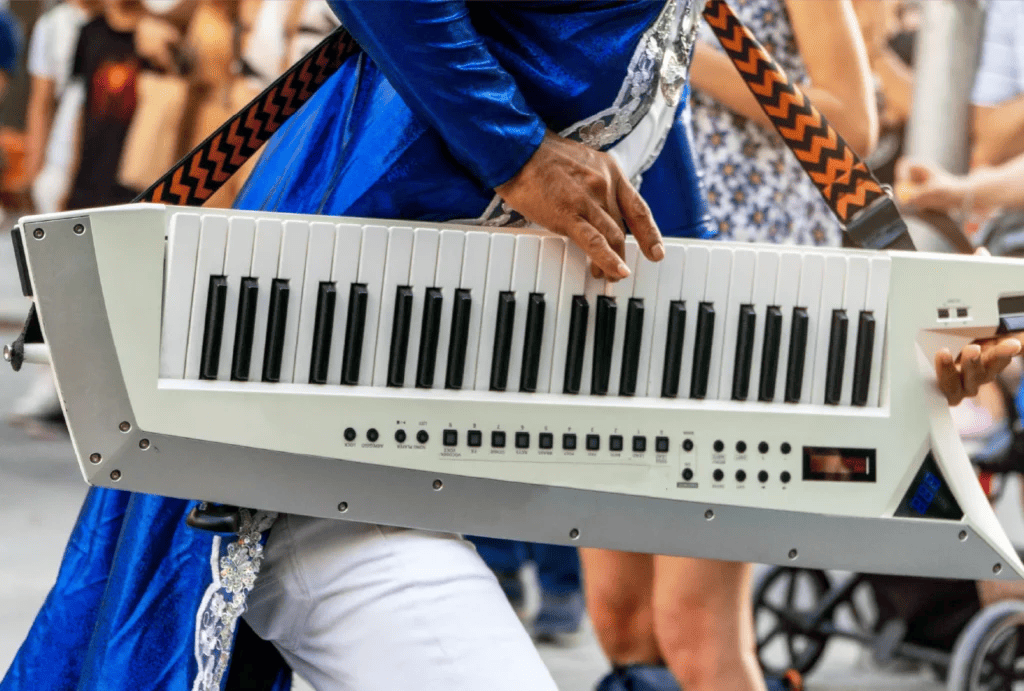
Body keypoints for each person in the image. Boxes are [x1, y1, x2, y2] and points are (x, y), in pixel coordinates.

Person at [3, 4, 1017, 691]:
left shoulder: (659, 48)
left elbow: (679, 290)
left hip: (391, 442)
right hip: (314, 424)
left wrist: (906, 366)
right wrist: (516, 154)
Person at [582, 2, 878, 691]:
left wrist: (677, 53)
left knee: (692, 622)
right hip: (627, 284)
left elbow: (853, 121)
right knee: (621, 618)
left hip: (747, 298)